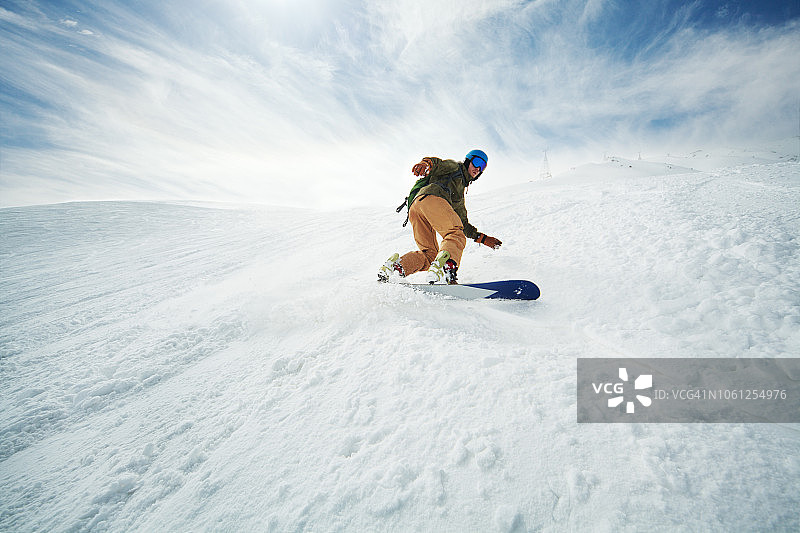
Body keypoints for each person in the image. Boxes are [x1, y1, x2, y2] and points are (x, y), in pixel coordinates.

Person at [378, 149, 502, 285]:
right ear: (468, 161)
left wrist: (483, 238)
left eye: (482, 166)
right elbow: (437, 164)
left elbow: (463, 223)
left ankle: (396, 268)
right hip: (432, 198)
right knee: (455, 234)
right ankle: (446, 268)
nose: (478, 168)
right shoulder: (455, 167)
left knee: (429, 254)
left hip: (416, 208)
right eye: (477, 162)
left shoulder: (459, 194)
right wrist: (426, 164)